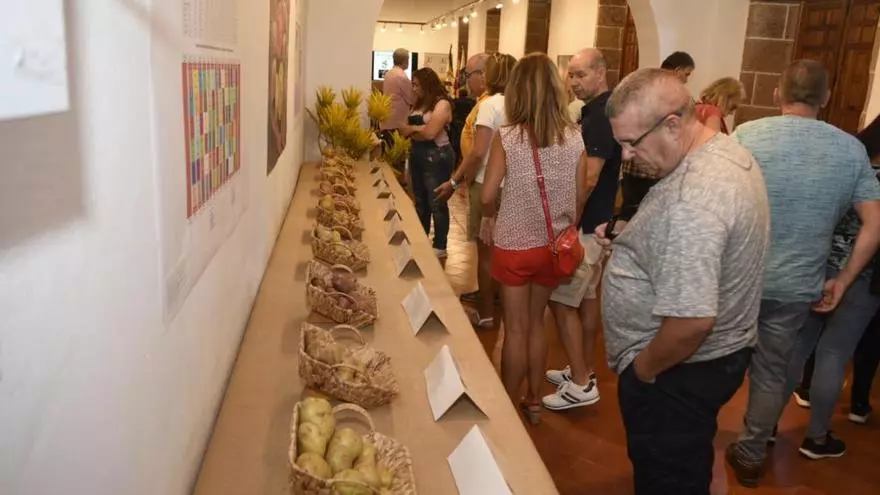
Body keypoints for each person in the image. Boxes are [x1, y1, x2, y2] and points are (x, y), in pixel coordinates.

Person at [594, 67, 769, 494]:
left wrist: (643, 371)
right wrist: (636, 238)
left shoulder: (693, 198)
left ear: (673, 124)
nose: (626, 156)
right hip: (715, 359)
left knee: (667, 478)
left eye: (631, 142)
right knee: (688, 463)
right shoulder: (722, 151)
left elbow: (692, 322)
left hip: (677, 371)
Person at [725, 59, 880, 487]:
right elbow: (875, 222)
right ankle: (752, 453)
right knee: (772, 370)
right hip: (797, 285)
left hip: (740, 277)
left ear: (778, 92)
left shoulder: (745, 136)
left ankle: (695, 442)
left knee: (715, 362)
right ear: (826, 97)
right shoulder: (849, 149)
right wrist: (844, 279)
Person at [480, 53, 588, 425]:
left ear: (518, 92)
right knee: (537, 323)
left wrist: (492, 214)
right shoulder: (574, 138)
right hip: (552, 248)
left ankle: (507, 409)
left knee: (515, 329)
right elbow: (579, 197)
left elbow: (486, 194)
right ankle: (535, 400)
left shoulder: (507, 137)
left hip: (513, 245)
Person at [542, 48, 622, 411]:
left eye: (581, 74)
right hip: (596, 224)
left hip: (586, 227)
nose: (573, 82)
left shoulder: (601, 115)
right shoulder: (596, 111)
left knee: (560, 301)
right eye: (570, 75)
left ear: (600, 72)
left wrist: (567, 225)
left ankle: (580, 382)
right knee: (586, 300)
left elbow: (589, 178)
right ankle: (582, 368)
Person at [789, 112, 880, 427]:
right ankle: (817, 436)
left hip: (820, 264)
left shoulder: (849, 161)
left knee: (798, 347)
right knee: (835, 353)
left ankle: (766, 427)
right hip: (865, 275)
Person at [436, 53, 517, 329]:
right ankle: (502, 307)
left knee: (486, 253)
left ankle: (486, 314)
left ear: (491, 75)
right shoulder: (519, 104)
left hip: (488, 184)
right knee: (505, 251)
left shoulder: (491, 104)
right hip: (513, 185)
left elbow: (478, 152)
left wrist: (454, 181)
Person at [401, 68, 455, 258]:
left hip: (437, 156)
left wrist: (413, 129)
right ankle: (420, 240)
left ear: (426, 84)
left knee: (436, 202)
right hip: (417, 153)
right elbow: (403, 129)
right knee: (420, 201)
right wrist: (419, 129)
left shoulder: (442, 104)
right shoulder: (419, 103)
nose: (413, 89)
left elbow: (431, 133)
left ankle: (440, 245)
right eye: (412, 85)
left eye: (416, 85)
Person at [379, 48, 414, 177]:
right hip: (398, 124)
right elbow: (411, 98)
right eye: (408, 59)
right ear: (405, 60)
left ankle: (389, 180)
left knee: (388, 156)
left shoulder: (388, 74)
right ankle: (398, 182)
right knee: (398, 158)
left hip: (387, 121)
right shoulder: (402, 76)